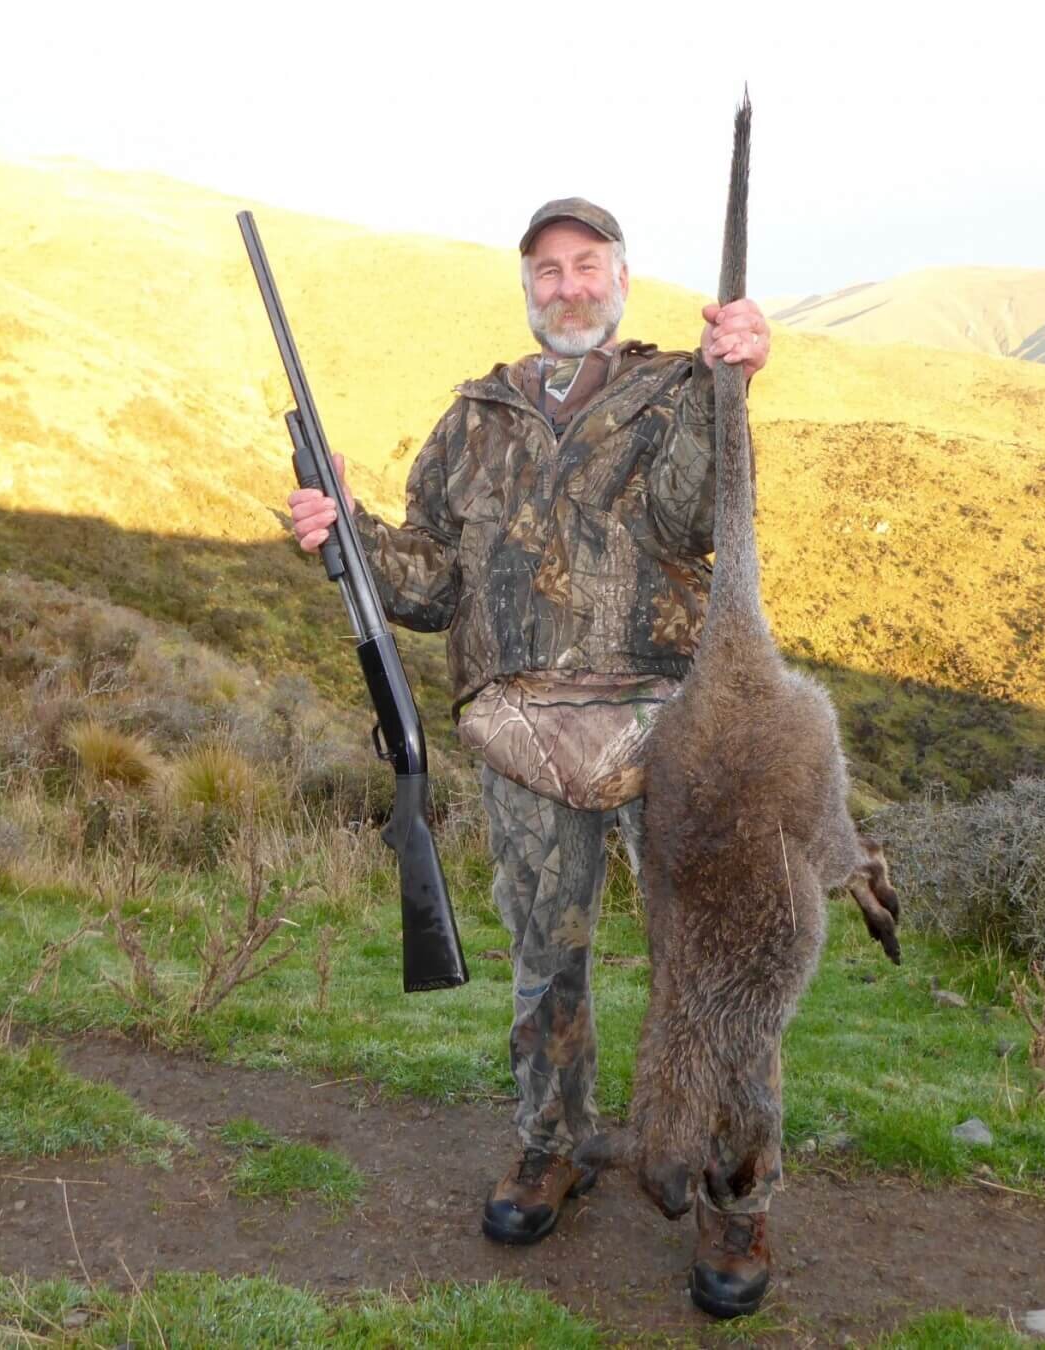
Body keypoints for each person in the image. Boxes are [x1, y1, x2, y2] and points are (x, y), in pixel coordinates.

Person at [285, 196, 773, 1315]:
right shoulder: (475, 418)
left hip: (672, 728)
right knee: (545, 964)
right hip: (521, 730)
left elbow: (702, 514)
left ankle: (734, 1202)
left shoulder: (677, 391)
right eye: (546, 271)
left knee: (708, 977)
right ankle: (551, 1146)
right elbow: (432, 584)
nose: (566, 286)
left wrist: (733, 376)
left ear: (621, 278)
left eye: (585, 265)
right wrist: (346, 537)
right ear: (527, 291)